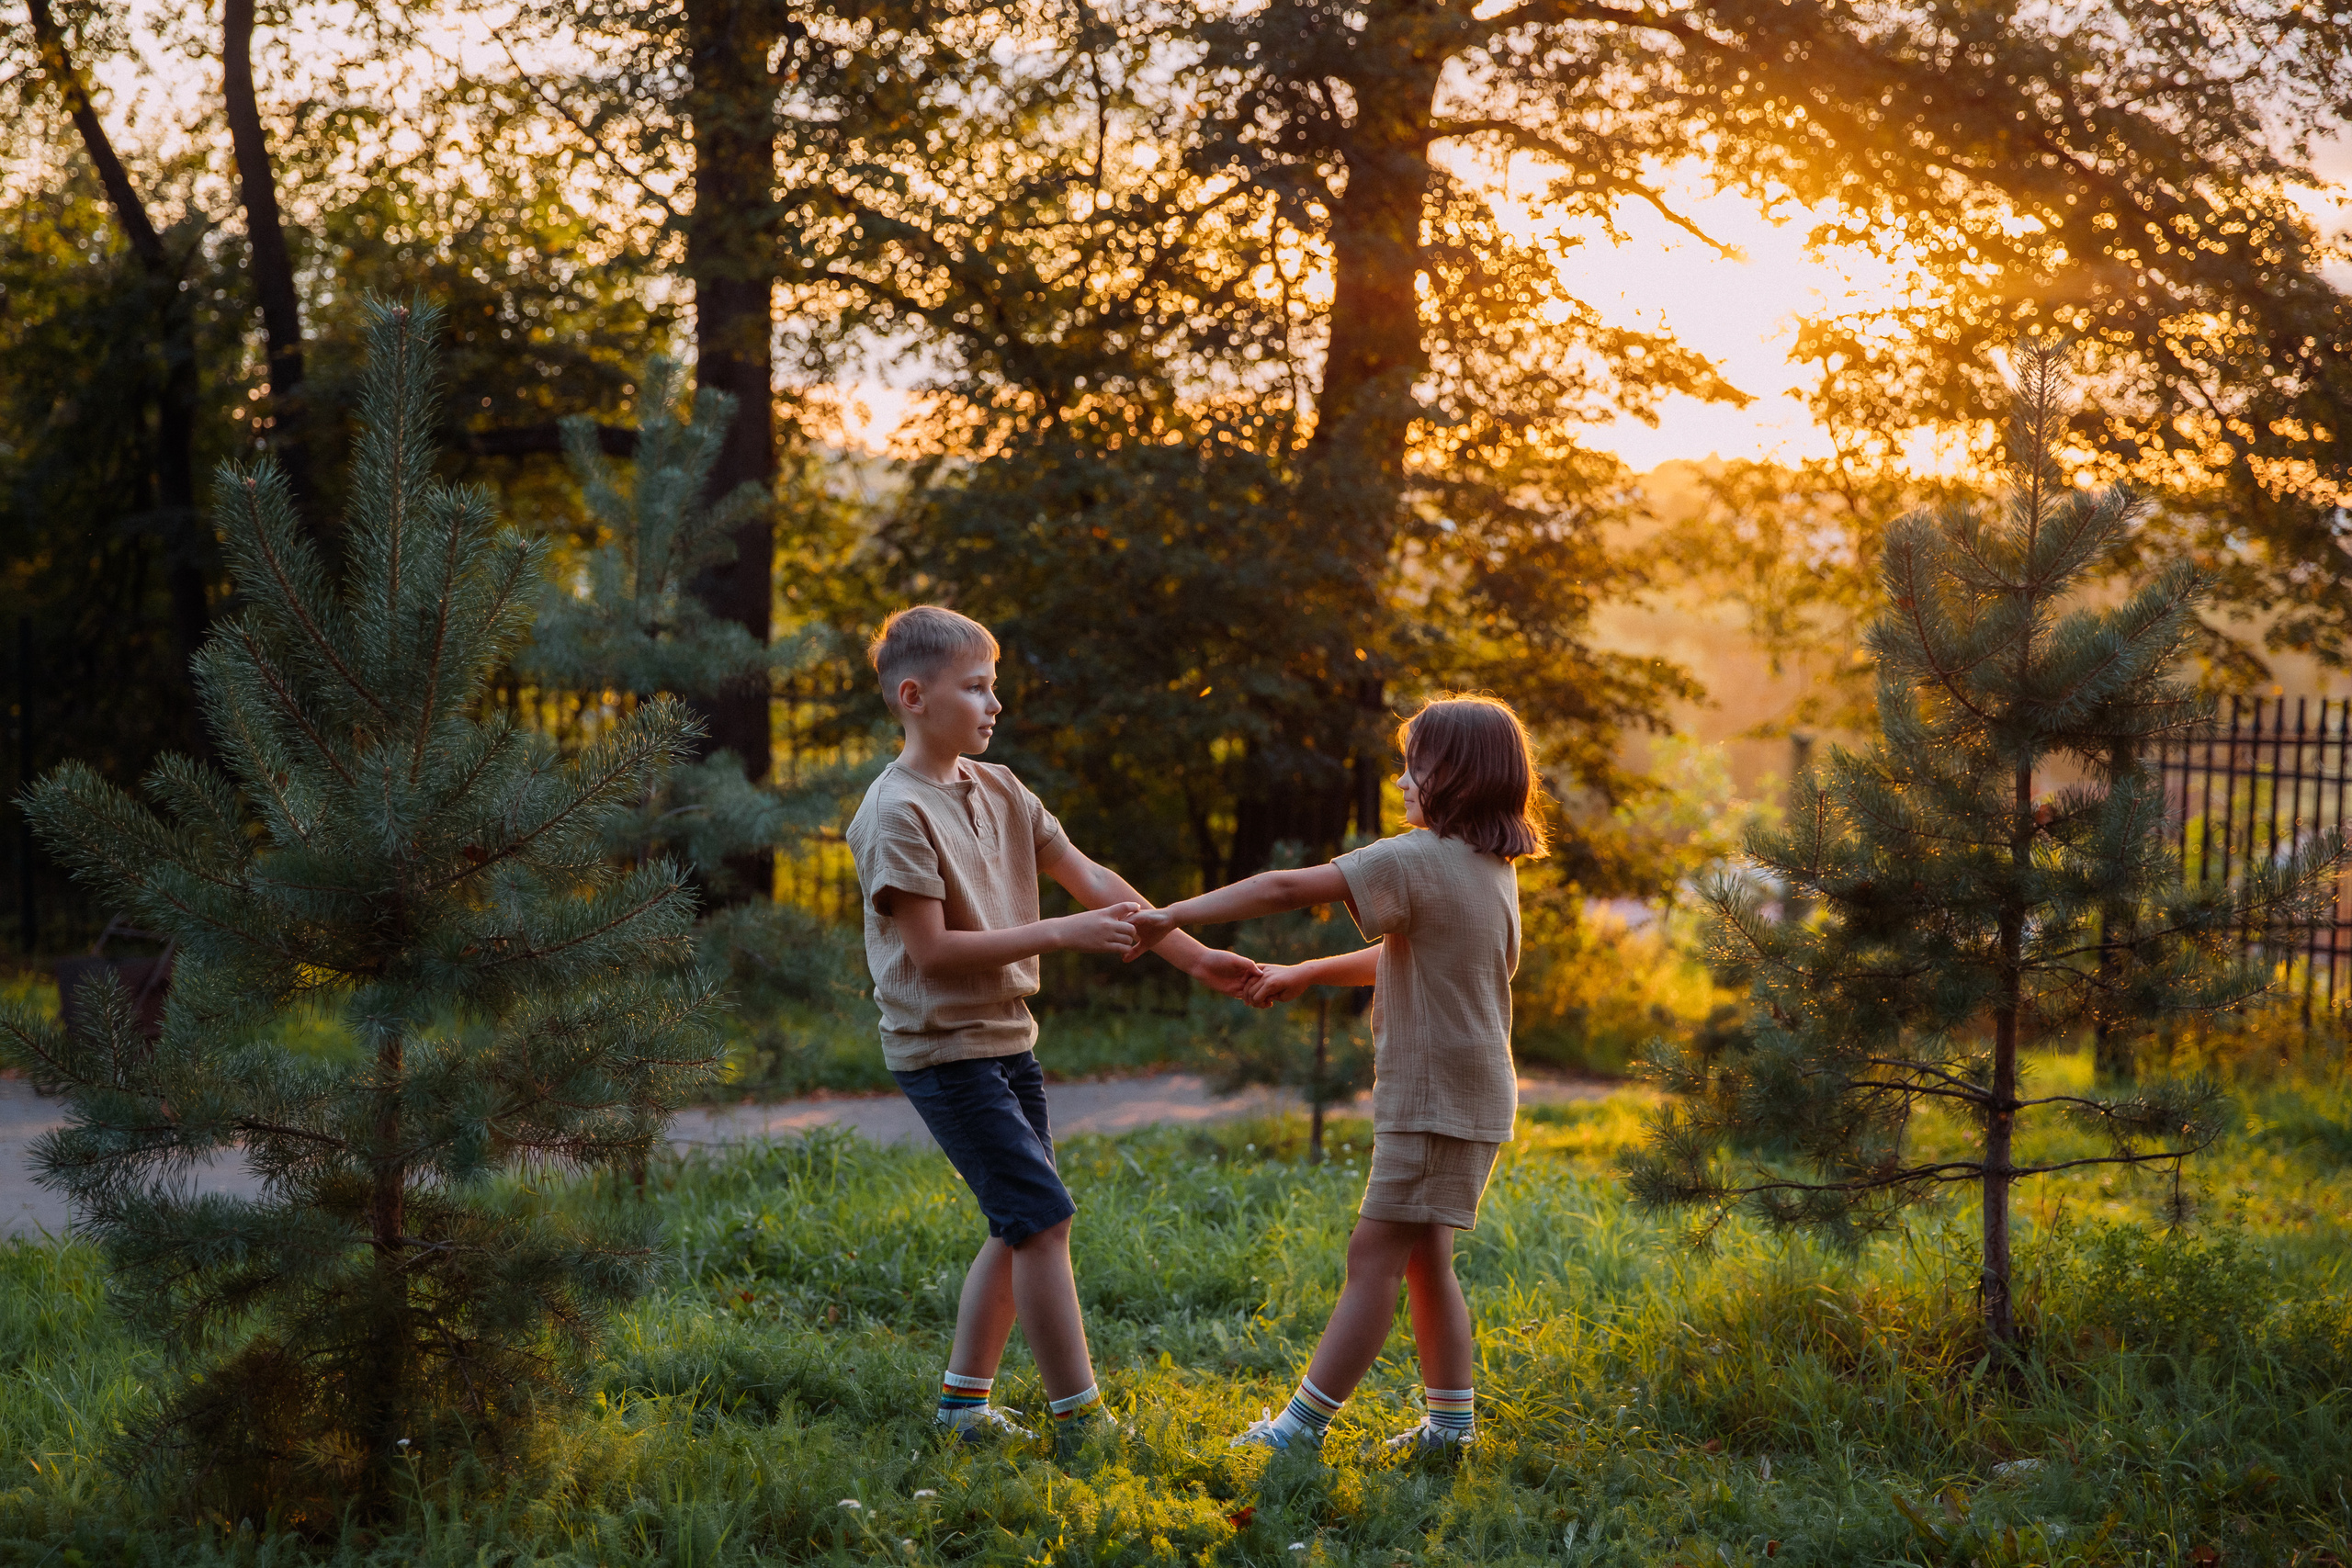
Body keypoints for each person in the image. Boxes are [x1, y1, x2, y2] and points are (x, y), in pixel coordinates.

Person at [845, 605, 1261, 1454]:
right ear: (916, 696)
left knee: (1019, 1219)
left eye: (995, 685)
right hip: (943, 1049)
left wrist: (1192, 953)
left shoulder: (1001, 788)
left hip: (1006, 1039)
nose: (994, 704)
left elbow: (1091, 877)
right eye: (976, 687)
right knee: (1041, 1214)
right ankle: (1080, 1417)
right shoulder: (894, 813)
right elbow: (929, 953)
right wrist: (1060, 936)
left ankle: (964, 1409)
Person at [1129, 694, 1544, 1455]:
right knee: (1425, 1261)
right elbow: (1405, 952)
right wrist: (1311, 971)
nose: (1401, 781)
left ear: (1455, 774)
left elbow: (1286, 887)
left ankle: (1298, 1428)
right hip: (1468, 1094)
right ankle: (1450, 1430)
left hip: (1434, 1100)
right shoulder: (1487, 869)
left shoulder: (1416, 858)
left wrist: (1171, 914)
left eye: (1413, 765)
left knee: (1374, 1257)